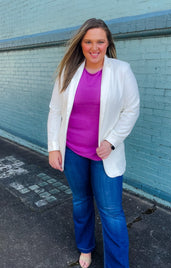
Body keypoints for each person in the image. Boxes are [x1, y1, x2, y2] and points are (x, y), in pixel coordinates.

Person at [47, 18, 140, 268]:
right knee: (81, 201)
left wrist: (111, 141)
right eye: (88, 42)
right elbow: (55, 110)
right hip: (73, 151)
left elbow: (131, 110)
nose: (94, 47)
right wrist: (54, 146)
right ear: (81, 44)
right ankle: (85, 247)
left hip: (105, 154)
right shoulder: (68, 72)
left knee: (111, 212)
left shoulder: (121, 70)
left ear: (108, 43)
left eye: (100, 41)